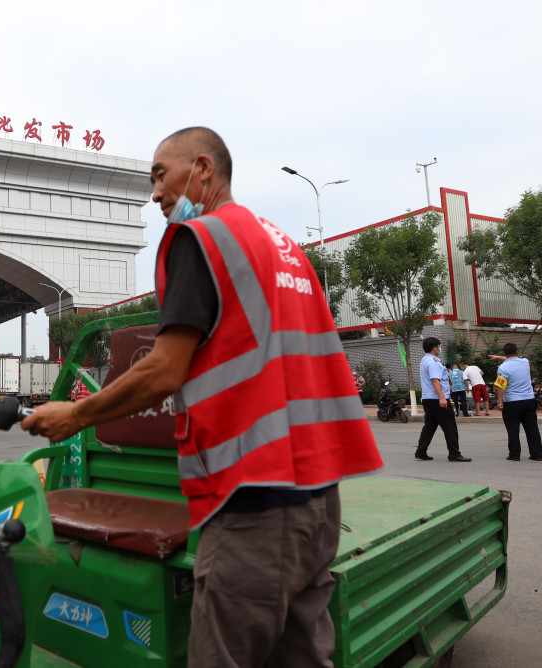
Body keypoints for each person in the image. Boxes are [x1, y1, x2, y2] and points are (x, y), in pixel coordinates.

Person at [22, 127, 383, 667]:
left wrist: (76, 414)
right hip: (318, 498)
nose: (155, 194)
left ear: (203, 169)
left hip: (255, 502)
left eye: (160, 176)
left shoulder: (199, 239)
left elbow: (166, 370)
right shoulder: (284, 249)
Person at [415, 337, 471, 462]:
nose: (439, 349)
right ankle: (454, 454)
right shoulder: (433, 362)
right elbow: (435, 380)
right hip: (437, 399)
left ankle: (420, 451)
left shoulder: (425, 360)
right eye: (439, 346)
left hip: (428, 398)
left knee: (429, 426)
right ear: (435, 347)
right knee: (450, 426)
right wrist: (442, 398)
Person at [490, 343, 542, 461]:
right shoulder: (525, 362)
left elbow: (501, 386)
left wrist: (499, 401)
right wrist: (499, 357)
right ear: (517, 351)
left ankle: (514, 455)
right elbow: (512, 359)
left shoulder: (503, 368)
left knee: (513, 429)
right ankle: (537, 454)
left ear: (504, 353)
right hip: (528, 400)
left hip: (512, 402)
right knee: (532, 429)